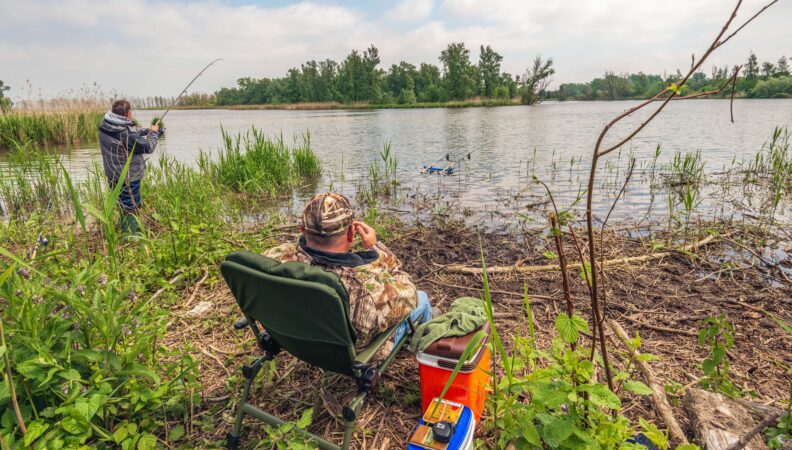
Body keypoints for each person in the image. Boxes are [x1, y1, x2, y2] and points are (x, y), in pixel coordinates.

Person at [263, 192, 432, 350]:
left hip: (299, 340)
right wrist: (376, 249)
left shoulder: (274, 257)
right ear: (351, 233)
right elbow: (410, 291)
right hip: (350, 355)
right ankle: (424, 340)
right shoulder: (367, 288)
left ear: (302, 229)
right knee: (423, 298)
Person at [98, 99, 160, 222]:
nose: (131, 114)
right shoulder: (126, 134)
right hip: (127, 177)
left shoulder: (105, 124)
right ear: (127, 114)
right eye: (130, 111)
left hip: (112, 173)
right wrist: (154, 134)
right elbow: (148, 147)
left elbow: (129, 132)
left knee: (122, 202)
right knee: (131, 205)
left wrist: (147, 130)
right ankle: (131, 235)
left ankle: (126, 227)